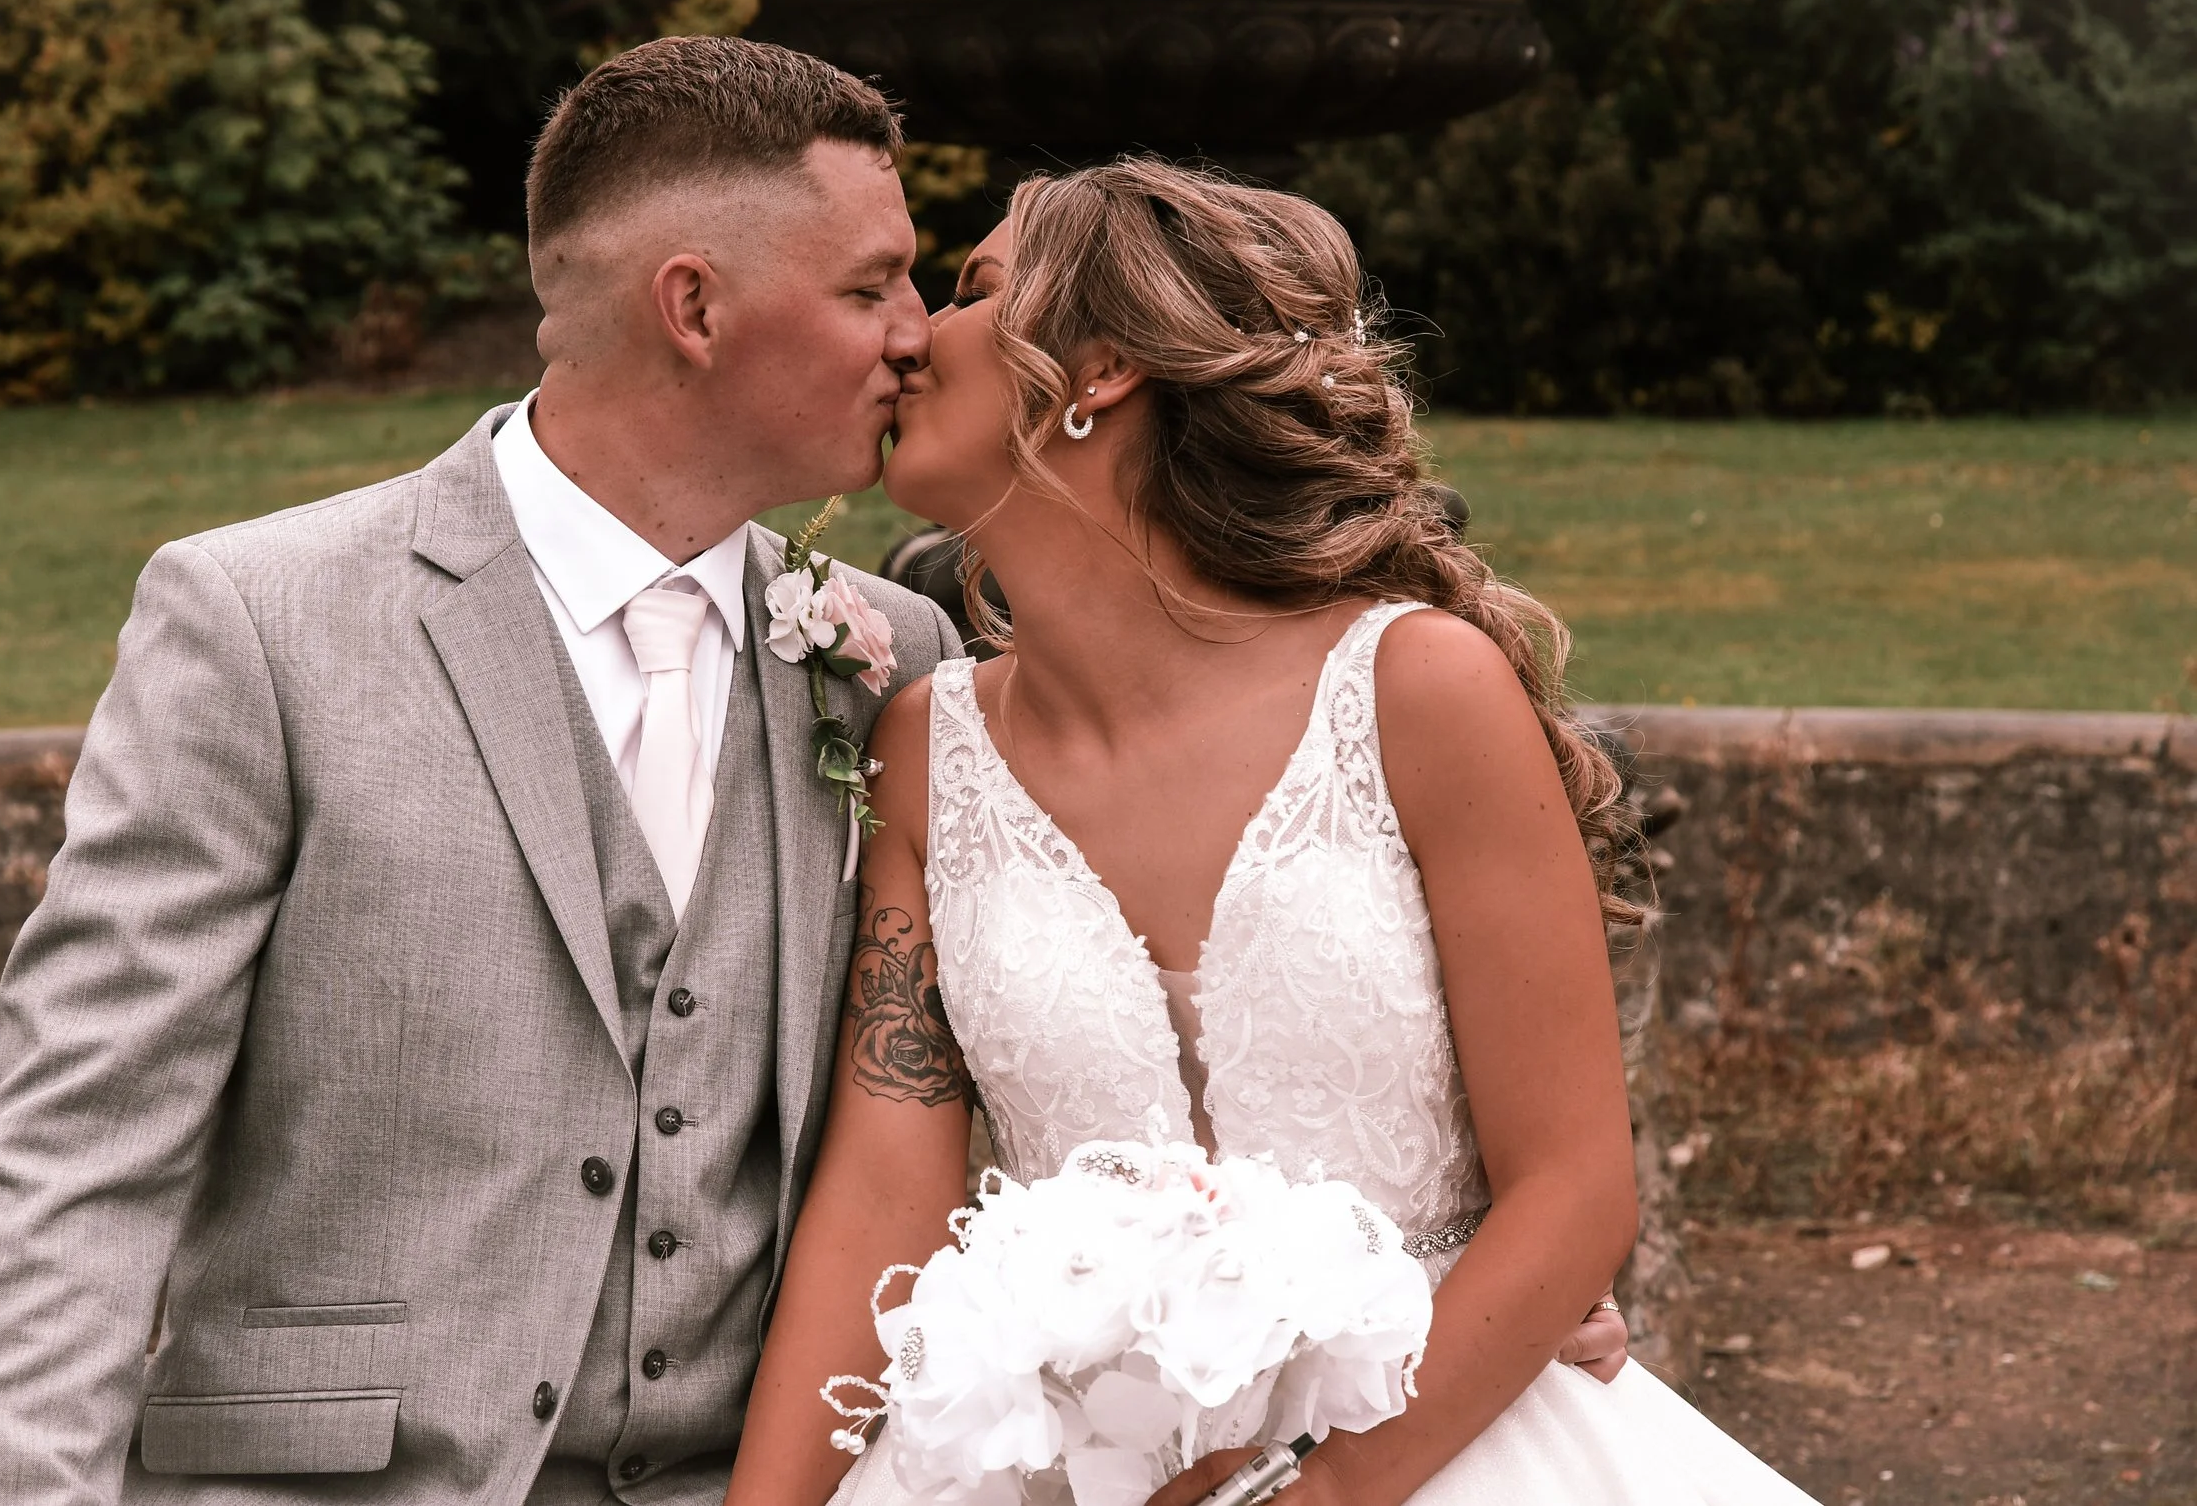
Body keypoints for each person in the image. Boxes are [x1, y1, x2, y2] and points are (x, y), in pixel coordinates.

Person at [0, 35, 968, 1504]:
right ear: (694, 307)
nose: (920, 334)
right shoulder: (260, 623)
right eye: (873, 287)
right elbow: (80, 1152)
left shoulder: (891, 655)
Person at [725, 159, 1812, 1506]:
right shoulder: (923, 752)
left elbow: (1576, 1187)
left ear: (1102, 366)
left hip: (1432, 1444)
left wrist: (1324, 1491)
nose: (913, 335)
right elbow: (881, 1211)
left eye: (971, 290)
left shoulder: (1419, 690)